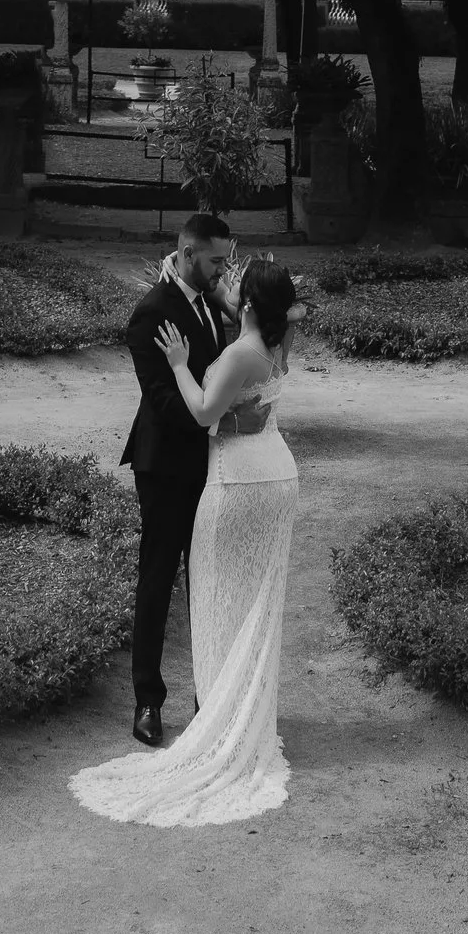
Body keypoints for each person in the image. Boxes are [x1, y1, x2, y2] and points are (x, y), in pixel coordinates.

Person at [72, 252, 302, 828]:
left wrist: (179, 360)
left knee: (217, 591)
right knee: (241, 595)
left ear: (245, 302)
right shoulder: (275, 343)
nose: (224, 277)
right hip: (268, 472)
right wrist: (240, 302)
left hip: (234, 477)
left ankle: (218, 710)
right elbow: (256, 319)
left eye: (234, 276)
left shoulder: (239, 347)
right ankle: (197, 704)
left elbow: (201, 411)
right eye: (218, 264)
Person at [109, 209, 236, 745]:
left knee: (205, 577)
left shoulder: (210, 302)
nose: (224, 271)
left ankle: (209, 693)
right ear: (187, 255)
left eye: (227, 262)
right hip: (163, 467)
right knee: (159, 579)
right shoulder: (151, 312)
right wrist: (213, 416)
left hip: (207, 463)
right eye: (215, 262)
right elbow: (159, 400)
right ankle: (147, 700)